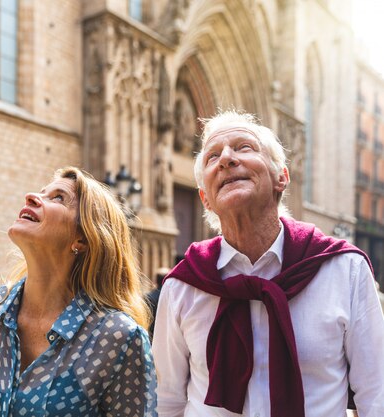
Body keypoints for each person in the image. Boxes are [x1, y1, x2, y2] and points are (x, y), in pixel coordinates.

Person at [153, 110, 384, 417]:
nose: (226, 159)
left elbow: (376, 393)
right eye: (212, 157)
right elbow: (166, 401)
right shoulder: (184, 284)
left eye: (244, 147)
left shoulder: (344, 270)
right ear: (205, 198)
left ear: (282, 177)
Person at [0, 166, 157, 416]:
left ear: (82, 239)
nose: (31, 197)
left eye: (58, 198)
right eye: (42, 193)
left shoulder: (119, 338)